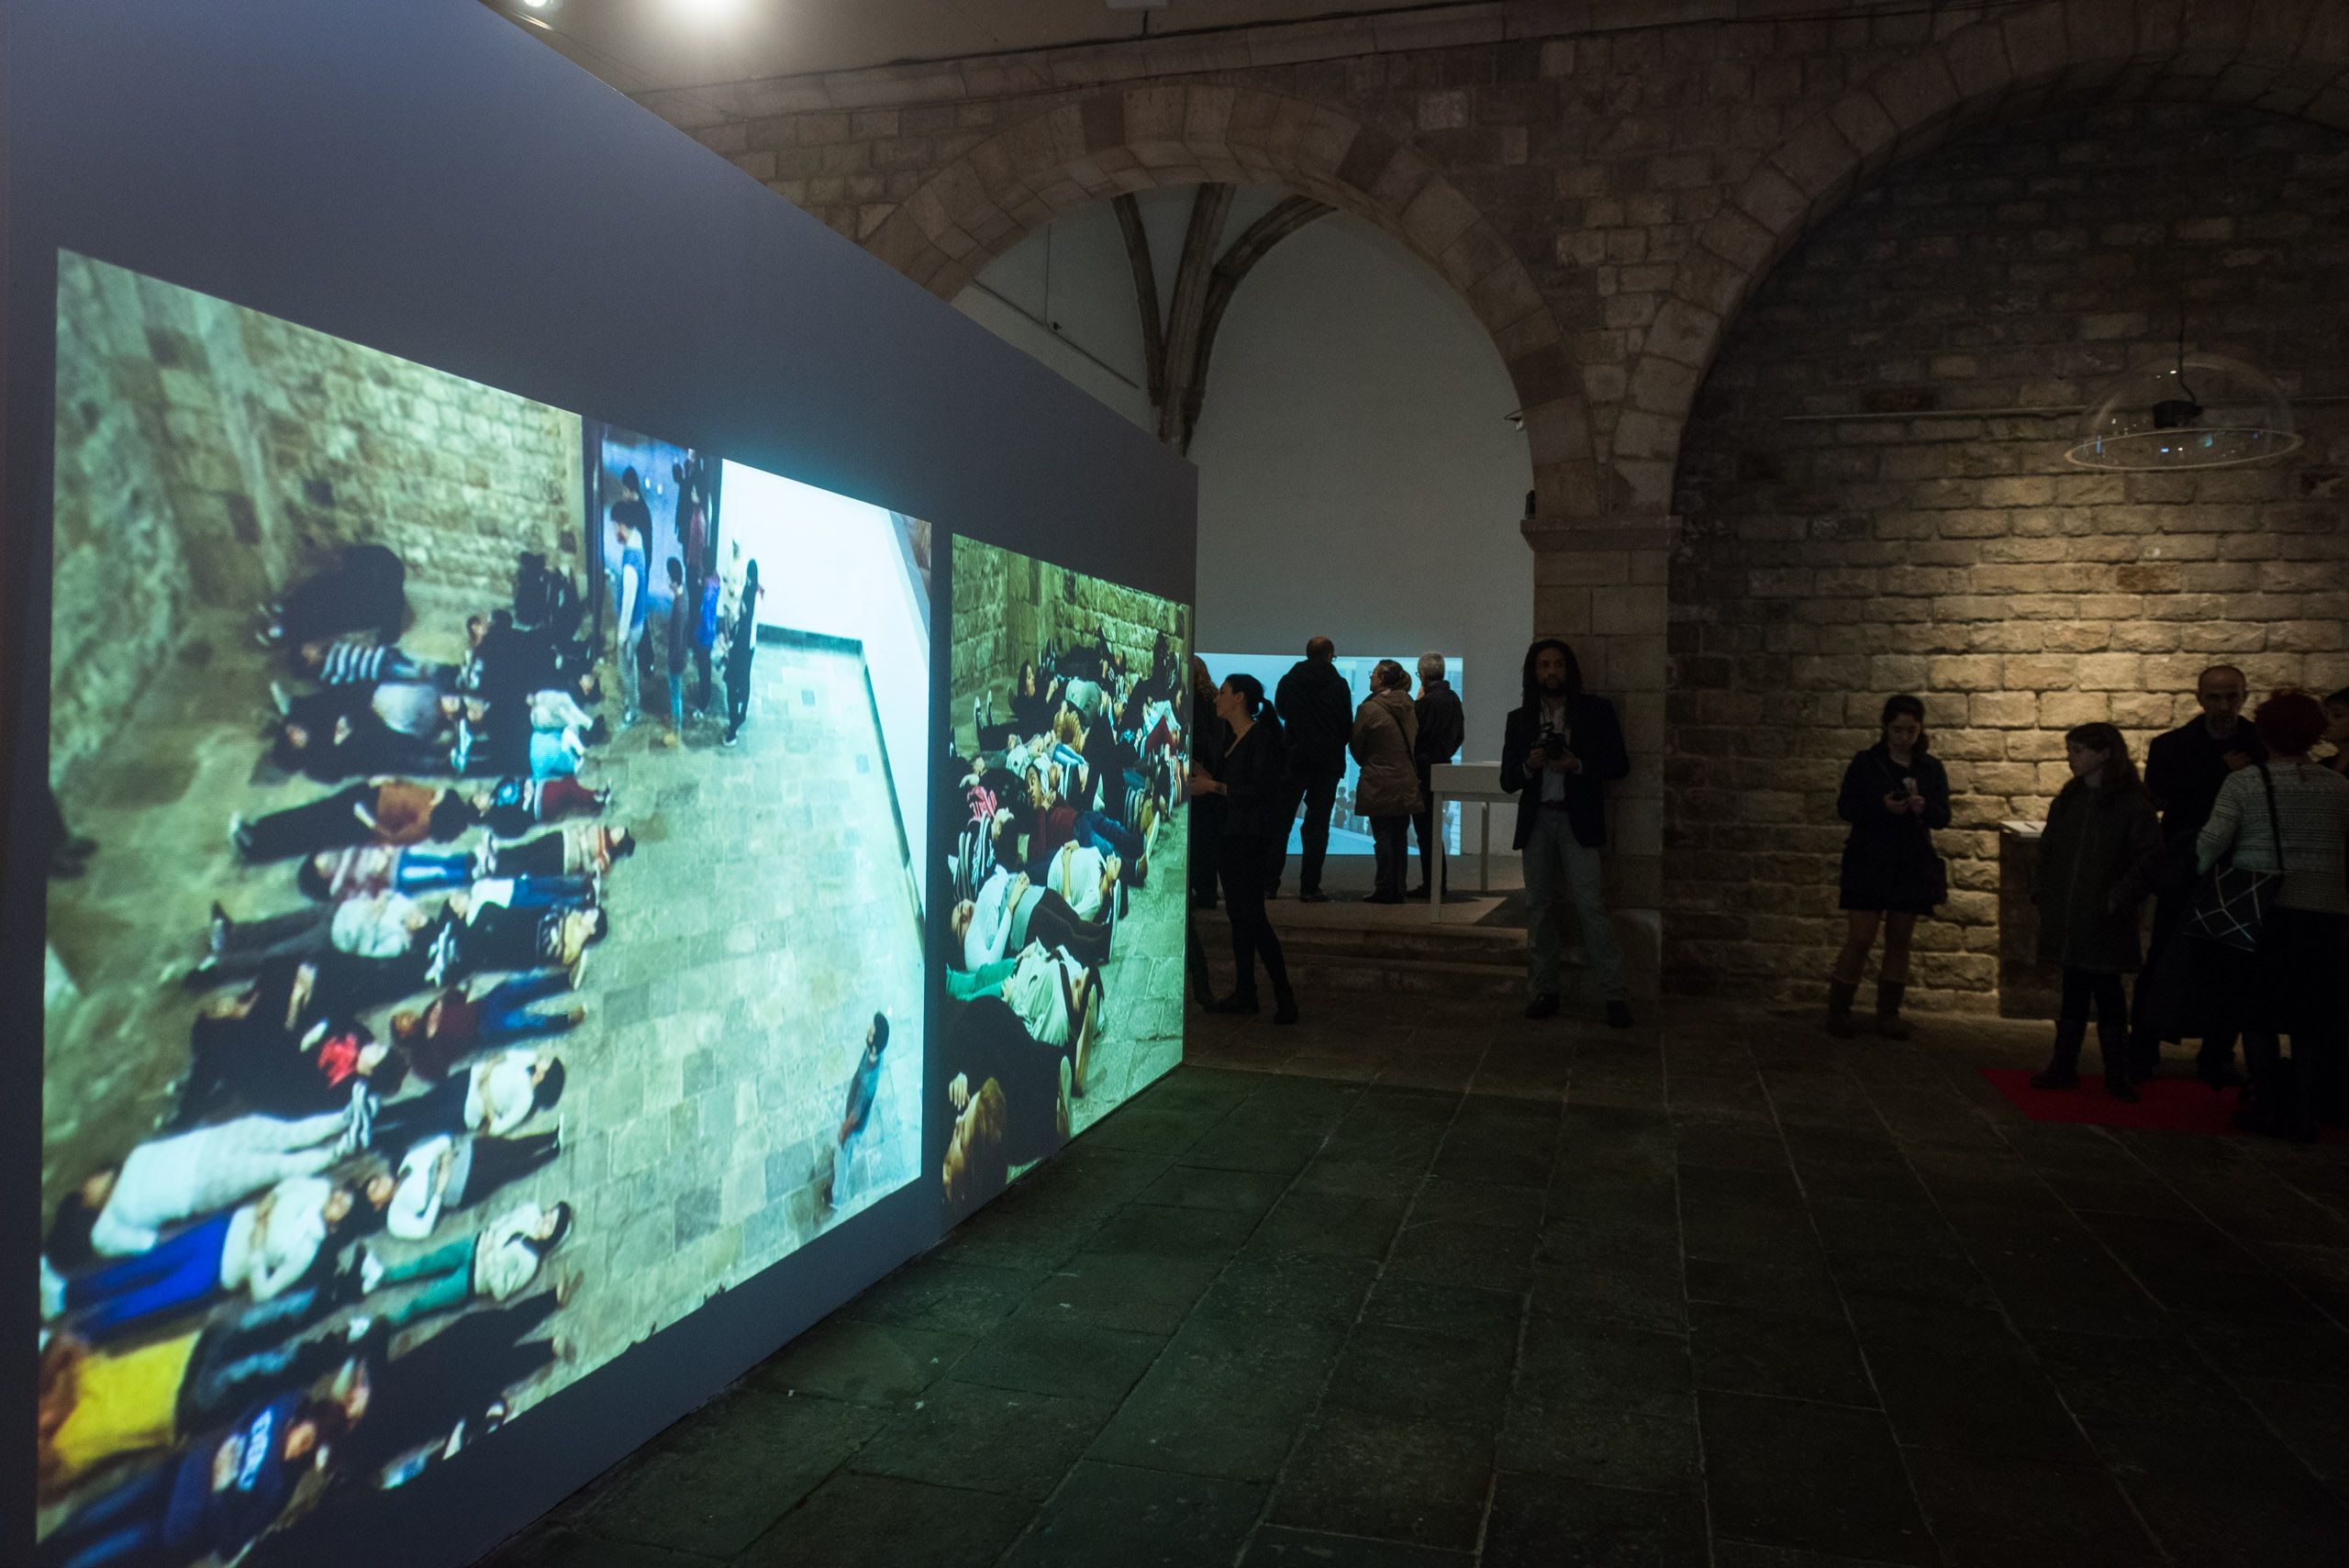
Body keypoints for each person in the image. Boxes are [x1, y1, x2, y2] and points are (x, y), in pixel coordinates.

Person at [2197, 691, 2349, 1140]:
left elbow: (2210, 845)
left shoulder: (2244, 784)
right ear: (2314, 734)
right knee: (2311, 1017)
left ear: (2263, 734)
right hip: (2325, 911)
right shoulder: (2340, 787)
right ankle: (2304, 1112)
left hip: (2260, 909)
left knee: (2258, 1013)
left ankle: (2266, 1106)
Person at [2131, 664, 2269, 1084]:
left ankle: (2217, 1052)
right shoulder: (2172, 745)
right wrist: (2218, 773)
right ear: (2199, 698)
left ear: (2244, 696)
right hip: (2187, 865)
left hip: (2238, 865)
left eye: (2232, 696)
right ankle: (2145, 1045)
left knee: (2230, 960)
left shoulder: (2260, 745)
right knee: (2164, 953)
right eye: (2215, 697)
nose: (2224, 705)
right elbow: (2158, 794)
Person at [36, 1393, 343, 1568]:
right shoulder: (284, 1405)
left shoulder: (279, 1488)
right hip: (174, 1476)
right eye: (306, 1438)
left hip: (172, 1529)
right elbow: (244, 1417)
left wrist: (221, 1490)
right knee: (88, 1520)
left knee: (92, 1558)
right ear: (303, 1419)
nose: (300, 1450)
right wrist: (231, 1438)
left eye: (310, 1450)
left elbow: (229, 1546)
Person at [1499, 639, 1633, 1027]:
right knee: (1538, 907)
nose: (1552, 672)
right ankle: (1545, 990)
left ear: (1569, 669)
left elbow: (1619, 765)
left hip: (1578, 819)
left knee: (1591, 905)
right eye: (1544, 665)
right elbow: (1508, 780)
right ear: (1534, 672)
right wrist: (1529, 765)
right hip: (1538, 821)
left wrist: (1578, 765)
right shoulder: (1520, 719)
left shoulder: (1594, 711)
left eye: (1558, 664)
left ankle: (1614, 995)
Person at [2028, 723, 2162, 1101]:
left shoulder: (2131, 804)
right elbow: (2049, 848)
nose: (2070, 758)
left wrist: (2117, 898)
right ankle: (2064, 1064)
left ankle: (2117, 1071)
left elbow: (2149, 859)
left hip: (2105, 915)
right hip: (2071, 910)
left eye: (2078, 750)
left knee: (2106, 989)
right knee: (2073, 985)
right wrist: (2045, 892)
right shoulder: (2071, 797)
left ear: (2104, 754)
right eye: (2070, 750)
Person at [1823, 695, 1951, 1040]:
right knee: (1861, 937)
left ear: (1920, 729)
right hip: (1869, 858)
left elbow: (1943, 816)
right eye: (1898, 730)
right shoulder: (1867, 763)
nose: (1904, 737)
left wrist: (1923, 807)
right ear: (1885, 727)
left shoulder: (1929, 768)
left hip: (1910, 860)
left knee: (1899, 939)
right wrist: (1881, 806)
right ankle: (1839, 1010)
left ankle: (1889, 1014)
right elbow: (1846, 807)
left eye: (1911, 730)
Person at [69, 1111, 357, 1259]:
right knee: (274, 1166)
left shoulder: (135, 1157)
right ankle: (338, 1150)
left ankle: (344, 1118)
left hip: (208, 1143)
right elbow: (142, 1243)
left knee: (281, 1133)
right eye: (84, 1194)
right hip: (200, 1184)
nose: (88, 1185)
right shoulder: (111, 1220)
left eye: (86, 1182)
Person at [1191, 673, 1297, 1023]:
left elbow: (1259, 792)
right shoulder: (1232, 738)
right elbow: (1233, 786)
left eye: (1223, 693)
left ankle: (1284, 997)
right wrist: (1206, 778)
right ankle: (1246, 991)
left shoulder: (1259, 739)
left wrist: (1212, 786)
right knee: (1240, 917)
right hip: (1231, 838)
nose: (1216, 698)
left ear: (1239, 698)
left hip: (1249, 841)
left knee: (1253, 917)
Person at [940, 996, 1073, 1223]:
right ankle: (1052, 1112)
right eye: (960, 1139)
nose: (957, 1124)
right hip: (967, 1029)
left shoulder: (949, 1146)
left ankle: (1057, 1081)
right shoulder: (968, 1167)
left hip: (967, 1030)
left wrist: (957, 1073)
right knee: (1005, 1058)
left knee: (1001, 1042)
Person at [352, 1200, 573, 1329]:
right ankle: (382, 1276)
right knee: (425, 1262)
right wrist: (489, 1234)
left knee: (422, 1301)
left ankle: (377, 1326)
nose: (545, 1220)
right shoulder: (530, 1212)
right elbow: (502, 1221)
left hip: (472, 1279)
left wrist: (489, 1259)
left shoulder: (530, 1261)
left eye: (550, 1225)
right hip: (472, 1245)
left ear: (552, 1238)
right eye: (549, 1214)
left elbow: (501, 1292)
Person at [1269, 637, 1352, 902]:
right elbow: (1346, 726)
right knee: (1318, 826)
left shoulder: (1289, 681)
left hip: (1294, 760)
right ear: (1329, 655)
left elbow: (1282, 711)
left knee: (1281, 823)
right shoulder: (1339, 685)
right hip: (1327, 764)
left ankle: (1269, 885)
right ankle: (1309, 887)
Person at [389, 973, 585, 1080]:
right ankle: (565, 1021)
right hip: (484, 1029)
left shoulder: (428, 1011)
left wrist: (446, 999)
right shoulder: (420, 1055)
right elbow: (439, 1073)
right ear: (403, 1035)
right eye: (401, 1021)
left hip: (484, 1004)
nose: (406, 1016)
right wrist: (432, 1039)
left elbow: (457, 996)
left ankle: (564, 980)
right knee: (524, 1021)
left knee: (519, 987)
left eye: (403, 1014)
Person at [232, 779, 478, 861]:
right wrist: (386, 780)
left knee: (311, 833)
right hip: (368, 794)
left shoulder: (425, 826)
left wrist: (367, 821)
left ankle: (258, 848)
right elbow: (409, 787)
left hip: (362, 822)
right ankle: (259, 828)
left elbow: (392, 838)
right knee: (310, 813)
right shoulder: (436, 797)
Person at [384, 1130, 564, 1240]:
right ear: (377, 1205)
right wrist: (438, 1192)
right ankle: (551, 1153)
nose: (379, 1183)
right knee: (506, 1169)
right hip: (460, 1186)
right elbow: (423, 1229)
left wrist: (444, 1155)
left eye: (375, 1181)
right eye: (374, 1190)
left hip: (463, 1155)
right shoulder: (395, 1216)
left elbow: (442, 1141)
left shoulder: (407, 1164)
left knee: (509, 1147)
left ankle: (551, 1136)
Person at [1351, 659, 1422, 904]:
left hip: (1378, 781)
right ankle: (1399, 886)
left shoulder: (1368, 709)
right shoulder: (1409, 705)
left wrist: (1371, 763)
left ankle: (1384, 887)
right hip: (1405, 780)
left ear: (1381, 679)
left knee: (1382, 836)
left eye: (1373, 673)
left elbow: (1356, 745)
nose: (1371, 677)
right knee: (1399, 836)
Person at [1408, 652, 1464, 899]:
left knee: (1425, 831)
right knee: (1432, 829)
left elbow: (1412, 735)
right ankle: (1436, 883)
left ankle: (1432, 884)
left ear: (1422, 674)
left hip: (1422, 770)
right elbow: (1459, 735)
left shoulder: (1425, 703)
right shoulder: (1453, 698)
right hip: (1442, 766)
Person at [607, 473, 651, 726]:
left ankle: (633, 708)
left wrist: (621, 636)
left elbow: (627, 604)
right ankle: (633, 701)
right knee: (631, 666)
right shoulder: (638, 542)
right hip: (639, 621)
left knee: (626, 669)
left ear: (623, 525)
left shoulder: (630, 565)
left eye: (615, 526)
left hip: (631, 625)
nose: (615, 531)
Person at [722, 558, 759, 747]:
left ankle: (733, 728)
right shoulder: (755, 595)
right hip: (748, 647)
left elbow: (744, 623)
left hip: (741, 648)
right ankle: (740, 715)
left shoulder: (750, 597)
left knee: (733, 687)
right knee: (743, 682)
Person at [662, 555, 691, 747]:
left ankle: (676, 730)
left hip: (676, 659)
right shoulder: (683, 594)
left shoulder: (679, 608)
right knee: (674, 691)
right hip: (680, 655)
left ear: (673, 581)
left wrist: (671, 661)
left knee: (675, 694)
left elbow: (677, 640)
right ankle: (674, 718)